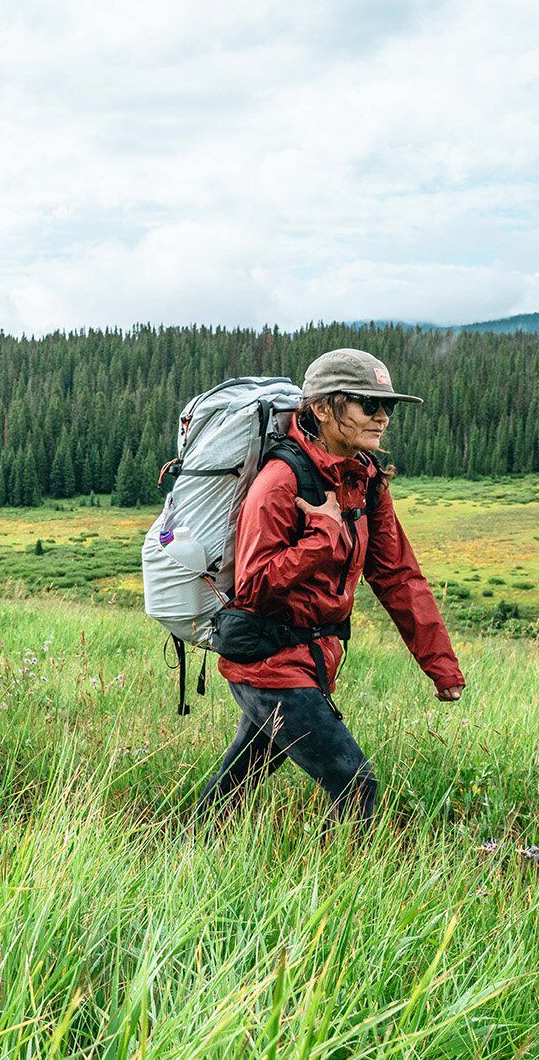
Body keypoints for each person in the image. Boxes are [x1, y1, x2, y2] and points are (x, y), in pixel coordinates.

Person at [201, 348, 464, 824]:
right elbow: (255, 583)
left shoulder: (363, 478)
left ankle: (182, 848)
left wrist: (441, 665)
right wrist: (323, 535)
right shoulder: (281, 480)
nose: (382, 416)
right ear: (322, 407)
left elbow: (398, 576)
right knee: (355, 783)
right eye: (368, 403)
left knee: (239, 778)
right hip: (268, 662)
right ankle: (342, 889)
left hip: (310, 660)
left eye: (389, 406)